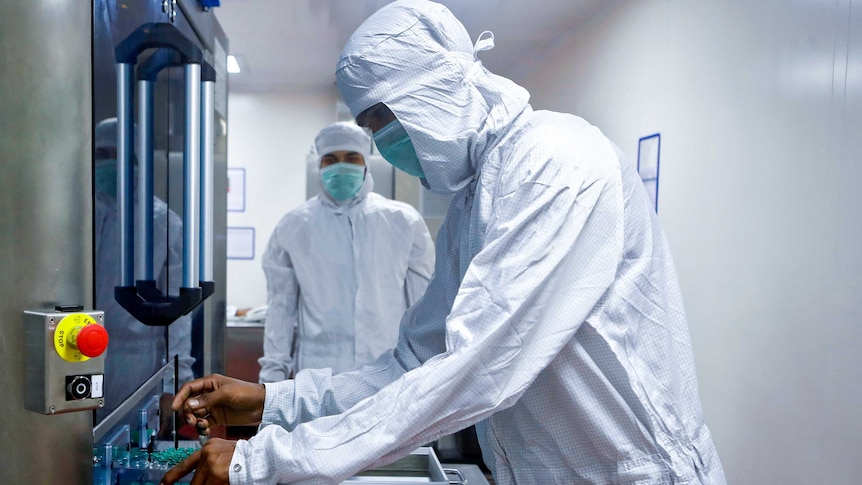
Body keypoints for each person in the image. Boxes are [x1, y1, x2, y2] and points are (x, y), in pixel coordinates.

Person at [162, 1, 726, 483]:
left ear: (434, 88)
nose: (381, 145)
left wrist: (262, 460)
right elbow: (415, 360)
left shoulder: (554, 164)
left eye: (382, 120)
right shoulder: (477, 198)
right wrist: (273, 400)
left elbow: (478, 369)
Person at [257, 121, 435, 382]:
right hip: (319, 377)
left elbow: (423, 305)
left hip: (388, 373)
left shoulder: (403, 221)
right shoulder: (294, 227)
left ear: (365, 164)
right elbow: (280, 309)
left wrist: (426, 370)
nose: (341, 166)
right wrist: (271, 382)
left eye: (351, 158)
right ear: (319, 166)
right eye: (331, 159)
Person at [93, 117, 195, 430]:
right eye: (103, 155)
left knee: (132, 455)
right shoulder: (72, 215)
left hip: (139, 368)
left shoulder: (163, 221)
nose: (112, 163)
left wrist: (173, 386)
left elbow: (179, 312)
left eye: (123, 155)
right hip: (77, 357)